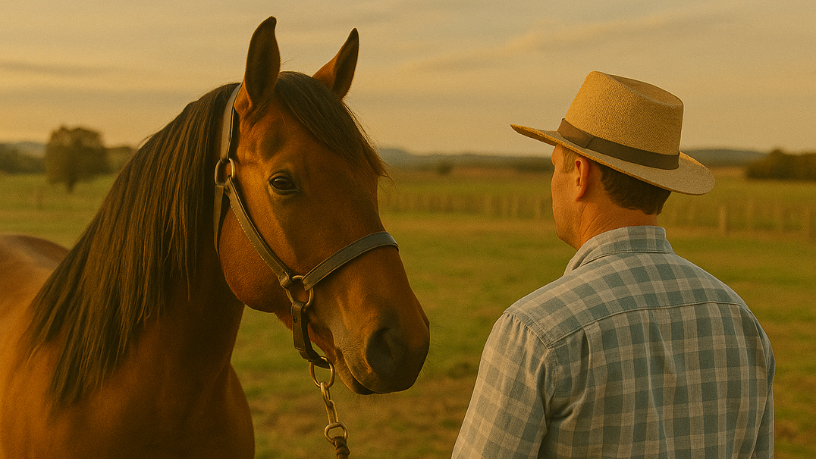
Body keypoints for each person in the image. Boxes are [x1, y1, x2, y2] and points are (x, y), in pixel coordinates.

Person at [452, 71, 774, 458]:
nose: (552, 182)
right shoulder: (740, 321)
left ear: (581, 175)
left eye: (556, 166)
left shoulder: (535, 331)